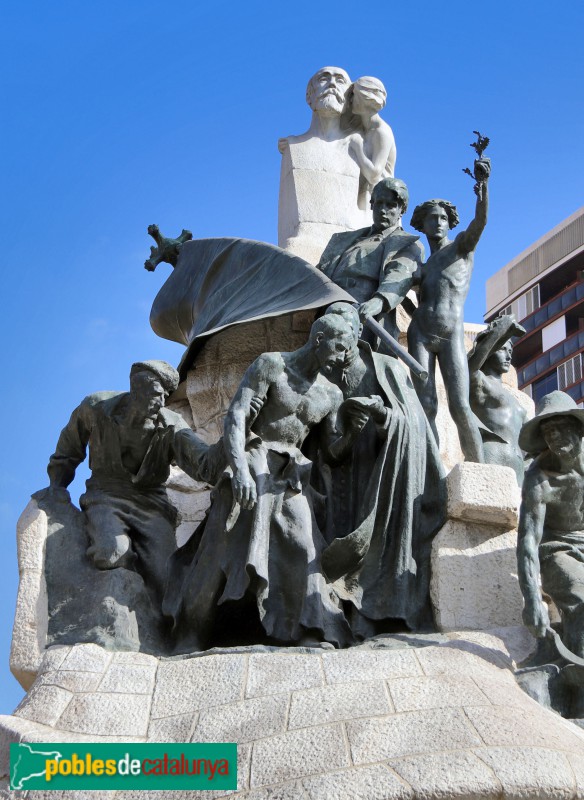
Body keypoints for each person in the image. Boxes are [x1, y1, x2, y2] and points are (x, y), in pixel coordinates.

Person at [164, 315, 376, 651]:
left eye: (348, 349)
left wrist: (353, 430)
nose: (342, 355)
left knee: (303, 544)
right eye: (338, 346)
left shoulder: (331, 394)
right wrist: (240, 470)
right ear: (319, 339)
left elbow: (331, 453)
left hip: (291, 474)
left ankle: (311, 627)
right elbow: (237, 415)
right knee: (222, 542)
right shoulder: (272, 365)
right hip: (252, 457)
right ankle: (192, 631)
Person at [315, 304, 445, 635]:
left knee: (380, 541)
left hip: (385, 472)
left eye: (344, 324)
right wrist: (349, 434)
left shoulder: (387, 367)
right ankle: (333, 615)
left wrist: (384, 417)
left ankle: (378, 614)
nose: (338, 334)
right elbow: (322, 447)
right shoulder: (322, 379)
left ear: (358, 332)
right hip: (340, 478)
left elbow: (415, 425)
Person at [45, 360, 220, 605]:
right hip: (105, 495)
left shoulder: (171, 425)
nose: (161, 402)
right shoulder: (96, 407)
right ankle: (117, 606)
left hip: (152, 503)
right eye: (156, 395)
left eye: (165, 396)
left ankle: (158, 629)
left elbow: (202, 462)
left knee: (168, 578)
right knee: (111, 552)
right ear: (137, 388)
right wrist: (57, 486)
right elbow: (69, 447)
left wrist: (229, 446)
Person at [407, 157, 491, 462]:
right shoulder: (422, 267)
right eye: (432, 217)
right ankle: (429, 467)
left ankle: (480, 467)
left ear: (450, 222)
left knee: (459, 405)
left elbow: (480, 223)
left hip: (451, 332)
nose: (438, 222)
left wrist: (482, 187)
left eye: (443, 217)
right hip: (420, 332)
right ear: (422, 224)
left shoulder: (461, 248)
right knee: (425, 403)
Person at [316, 177, 424, 344]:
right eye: (379, 203)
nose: (383, 210)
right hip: (329, 307)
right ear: (371, 205)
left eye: (390, 205)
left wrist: (379, 301)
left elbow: (399, 274)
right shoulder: (346, 239)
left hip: (362, 312)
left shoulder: (407, 243)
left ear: (402, 210)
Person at [517, 391, 584, 661]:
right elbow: (528, 542)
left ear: (578, 428)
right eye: (547, 431)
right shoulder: (539, 478)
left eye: (559, 428)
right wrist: (532, 598)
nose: (553, 436)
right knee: (579, 595)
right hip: (556, 548)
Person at [468, 313, 528, 483]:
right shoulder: (478, 380)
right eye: (503, 349)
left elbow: (533, 440)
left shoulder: (515, 401)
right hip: (493, 451)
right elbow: (470, 367)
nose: (508, 356)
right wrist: (502, 330)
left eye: (510, 351)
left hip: (517, 462)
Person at [343, 76, 396, 209]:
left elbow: (374, 175)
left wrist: (358, 148)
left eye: (353, 95)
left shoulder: (381, 131)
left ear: (364, 99)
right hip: (366, 197)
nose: (350, 100)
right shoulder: (363, 129)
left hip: (381, 202)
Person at [278, 66, 351, 152]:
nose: (332, 83)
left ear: (350, 98)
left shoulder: (358, 148)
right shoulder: (292, 145)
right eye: (323, 79)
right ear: (309, 95)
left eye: (340, 81)